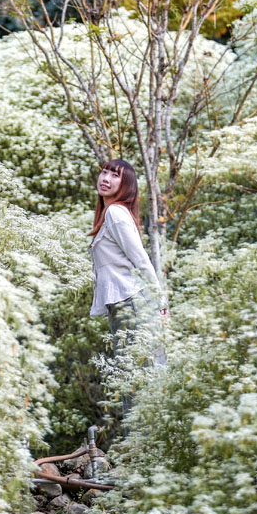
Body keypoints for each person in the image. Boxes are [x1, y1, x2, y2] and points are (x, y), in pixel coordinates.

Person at [88, 159, 169, 425]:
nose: (106, 178)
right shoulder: (109, 215)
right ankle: (141, 449)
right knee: (133, 377)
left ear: (126, 186)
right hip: (124, 304)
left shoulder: (115, 214)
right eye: (104, 172)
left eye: (115, 175)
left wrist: (160, 301)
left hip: (133, 303)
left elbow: (141, 259)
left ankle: (143, 449)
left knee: (138, 378)